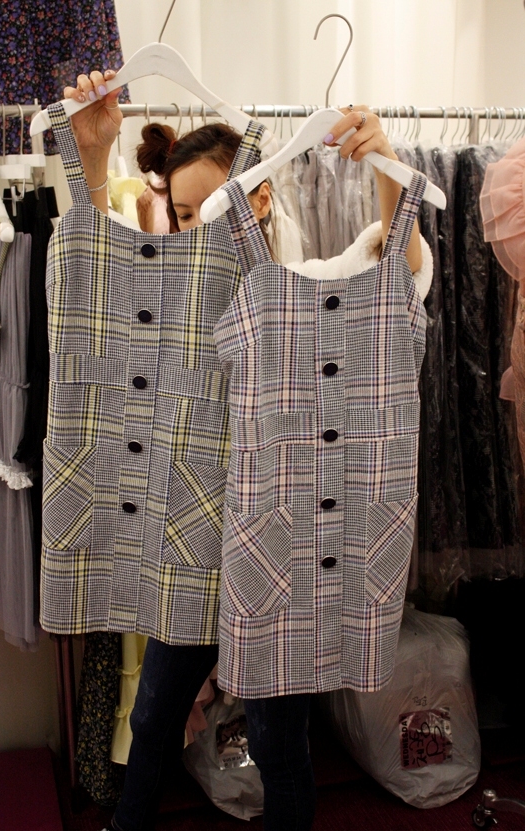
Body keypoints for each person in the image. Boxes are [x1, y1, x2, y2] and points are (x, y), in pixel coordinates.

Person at [62, 70, 433, 831]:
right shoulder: (175, 287)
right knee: (155, 714)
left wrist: (389, 172)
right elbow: (101, 276)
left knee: (277, 740)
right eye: (183, 214)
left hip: (274, 547)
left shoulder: (297, 283)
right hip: (195, 534)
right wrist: (93, 159)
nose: (194, 230)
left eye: (209, 211)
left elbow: (394, 280)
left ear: (256, 199)